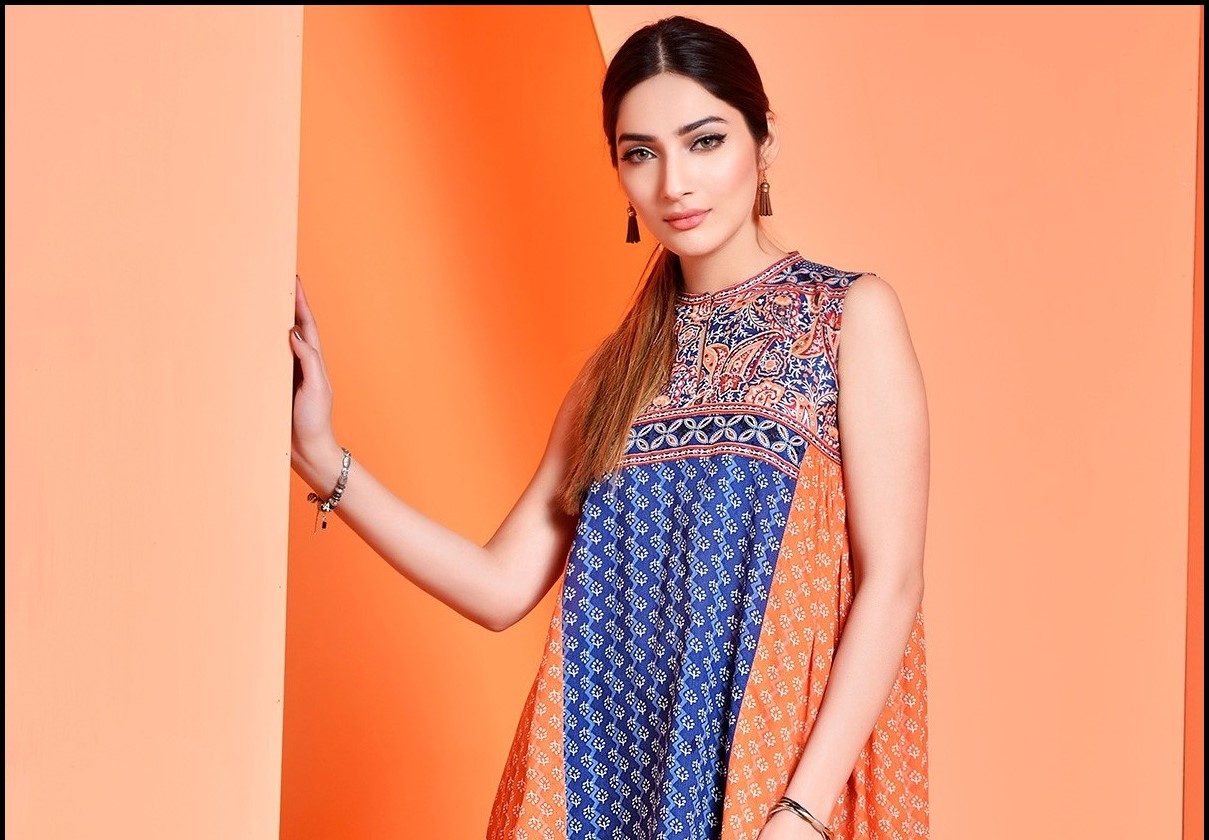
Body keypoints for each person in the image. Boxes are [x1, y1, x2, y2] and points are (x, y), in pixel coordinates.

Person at [289, 14, 930, 840]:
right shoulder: (615, 372)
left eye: (704, 141)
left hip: (772, 782)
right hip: (601, 786)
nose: (674, 184)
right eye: (640, 154)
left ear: (763, 141)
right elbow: (499, 586)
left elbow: (891, 581)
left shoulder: (846, 317)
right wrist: (324, 459)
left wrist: (799, 813)